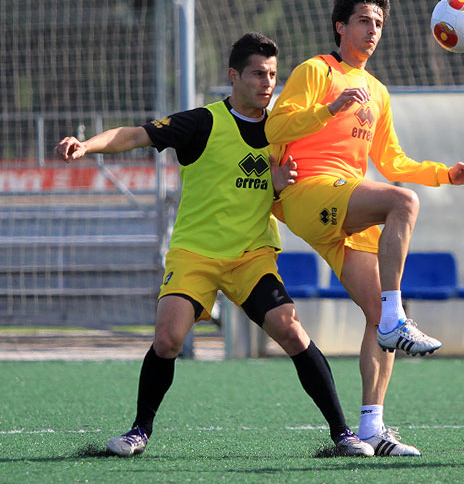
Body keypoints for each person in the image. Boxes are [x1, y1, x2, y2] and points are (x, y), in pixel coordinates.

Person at [54, 32, 374, 458]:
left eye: (273, 75)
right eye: (258, 74)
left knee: (291, 331)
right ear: (233, 76)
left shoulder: (283, 130)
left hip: (251, 256)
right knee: (168, 339)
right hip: (195, 254)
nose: (268, 83)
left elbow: (291, 193)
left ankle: (343, 435)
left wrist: (280, 187)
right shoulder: (202, 122)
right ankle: (138, 431)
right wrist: (86, 145)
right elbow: (134, 136)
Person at [265, 0, 464, 456]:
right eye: (363, 20)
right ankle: (396, 316)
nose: (372, 30)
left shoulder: (379, 92)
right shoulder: (316, 70)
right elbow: (274, 129)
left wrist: (447, 173)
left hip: (348, 201)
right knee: (403, 205)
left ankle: (371, 428)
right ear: (341, 27)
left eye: (379, 24)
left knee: (377, 316)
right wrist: (330, 108)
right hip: (309, 192)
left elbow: (394, 162)